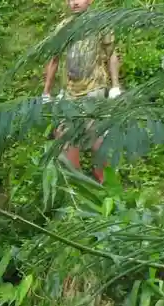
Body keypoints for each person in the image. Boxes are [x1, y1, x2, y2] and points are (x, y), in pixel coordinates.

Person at [42, 0, 122, 184]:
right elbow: (53, 59)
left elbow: (112, 54)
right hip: (70, 92)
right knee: (64, 135)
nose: (74, 2)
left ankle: (106, 182)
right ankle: (76, 182)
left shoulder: (100, 23)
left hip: (94, 89)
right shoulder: (64, 27)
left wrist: (115, 86)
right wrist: (46, 91)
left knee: (96, 136)